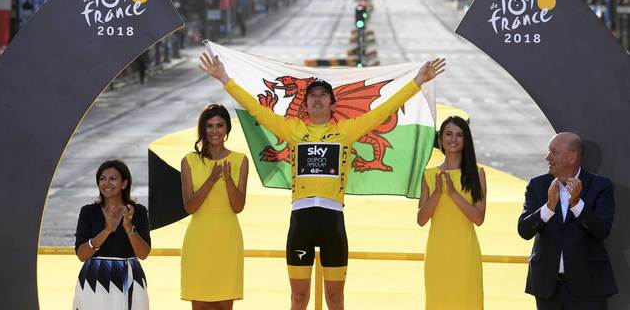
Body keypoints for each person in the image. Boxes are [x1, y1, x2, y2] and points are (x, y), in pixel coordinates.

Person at [199, 52, 445, 310]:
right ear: (305, 105)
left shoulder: (347, 130)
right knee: (298, 298)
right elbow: (256, 110)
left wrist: (418, 81)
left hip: (333, 223)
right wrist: (224, 78)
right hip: (300, 221)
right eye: (312, 96)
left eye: (323, 95)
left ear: (332, 104)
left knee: (335, 299)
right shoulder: (293, 130)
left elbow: (386, 108)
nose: (317, 99)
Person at [518, 132, 617, 309]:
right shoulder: (537, 185)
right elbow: (524, 230)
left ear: (572, 157)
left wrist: (577, 204)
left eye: (553, 152)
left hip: (589, 288)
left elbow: (602, 230)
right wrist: (548, 208)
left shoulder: (600, 186)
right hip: (547, 288)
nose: (547, 157)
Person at [180, 104, 250, 309]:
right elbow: (190, 207)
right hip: (199, 239)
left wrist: (228, 180)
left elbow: (238, 206)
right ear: (203, 129)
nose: (214, 131)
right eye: (209, 126)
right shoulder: (189, 161)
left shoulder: (240, 160)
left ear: (227, 128)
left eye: (220, 126)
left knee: (223, 305)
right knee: (200, 304)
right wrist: (211, 180)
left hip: (227, 239)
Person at [417, 116, 486, 309]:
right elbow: (421, 219)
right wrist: (438, 193)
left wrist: (453, 193)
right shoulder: (429, 175)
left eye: (459, 135)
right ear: (440, 139)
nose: (453, 139)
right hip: (437, 252)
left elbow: (478, 218)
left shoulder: (477, 174)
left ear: (466, 140)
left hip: (465, 251)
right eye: (448, 134)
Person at [73, 160, 151, 309]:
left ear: (124, 183)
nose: (106, 183)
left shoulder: (138, 211)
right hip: (94, 281)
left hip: (130, 280)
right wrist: (106, 231)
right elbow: (82, 255)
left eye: (113, 178)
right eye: (102, 179)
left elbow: (143, 254)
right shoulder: (88, 212)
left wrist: (129, 228)